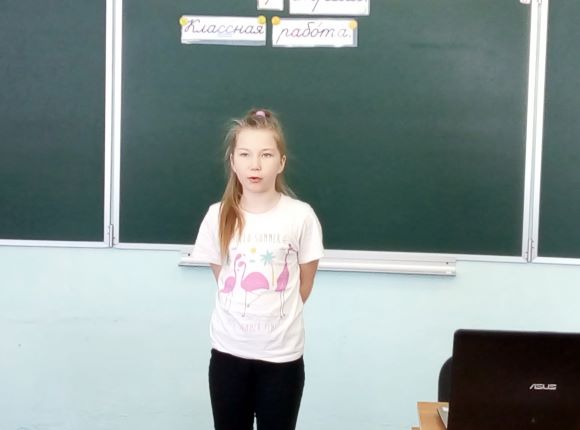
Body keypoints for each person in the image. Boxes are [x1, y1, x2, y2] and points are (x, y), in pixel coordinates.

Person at [192, 108, 324, 430]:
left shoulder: (301, 216)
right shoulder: (217, 216)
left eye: (266, 154)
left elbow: (304, 284)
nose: (255, 164)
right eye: (245, 154)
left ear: (281, 162)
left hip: (282, 359)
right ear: (233, 161)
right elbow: (224, 278)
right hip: (228, 355)